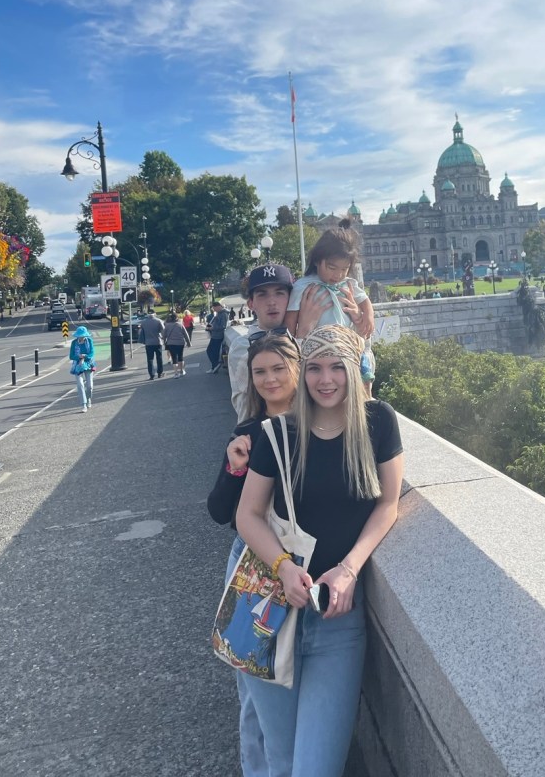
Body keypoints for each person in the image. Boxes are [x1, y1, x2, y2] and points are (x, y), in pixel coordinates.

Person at [237, 325, 403, 777]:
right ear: (302, 372)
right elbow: (247, 515)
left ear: (353, 369)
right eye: (314, 368)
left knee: (316, 768)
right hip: (270, 609)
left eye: (336, 367)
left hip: (335, 621)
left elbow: (388, 504)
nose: (325, 380)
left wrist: (349, 569)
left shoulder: (378, 421)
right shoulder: (279, 432)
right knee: (281, 760)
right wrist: (283, 567)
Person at [208, 333, 302, 777]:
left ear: (297, 369)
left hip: (302, 566)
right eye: (260, 371)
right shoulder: (247, 432)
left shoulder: (317, 425)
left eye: (278, 368)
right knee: (251, 681)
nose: (270, 379)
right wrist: (234, 468)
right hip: (250, 564)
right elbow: (218, 511)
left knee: (292, 678)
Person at [226, 264, 325, 421]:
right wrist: (303, 332)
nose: (272, 302)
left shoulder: (309, 334)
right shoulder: (243, 346)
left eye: (279, 293)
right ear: (251, 304)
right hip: (261, 432)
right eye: (262, 295)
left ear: (291, 299)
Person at [284, 219, 375, 381]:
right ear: (317, 261)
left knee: (358, 359)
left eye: (344, 269)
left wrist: (368, 317)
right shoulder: (303, 286)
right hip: (316, 346)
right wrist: (291, 345)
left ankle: (363, 368)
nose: (338, 275)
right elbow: (290, 321)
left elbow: (364, 300)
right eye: (332, 268)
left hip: (346, 343)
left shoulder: (348, 283)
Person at [69, 325, 95, 412]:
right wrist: (79, 357)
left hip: (88, 363)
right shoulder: (74, 343)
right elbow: (71, 356)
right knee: (80, 384)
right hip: (78, 364)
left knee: (89, 386)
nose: (81, 337)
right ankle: (83, 404)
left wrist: (84, 356)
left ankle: (89, 399)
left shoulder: (89, 341)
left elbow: (91, 353)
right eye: (79, 336)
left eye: (83, 336)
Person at [163, 311, 192, 377]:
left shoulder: (167, 326)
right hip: (180, 343)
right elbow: (186, 335)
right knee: (180, 357)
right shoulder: (180, 325)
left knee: (174, 358)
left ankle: (176, 373)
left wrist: (165, 342)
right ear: (177, 318)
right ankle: (182, 370)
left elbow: (164, 335)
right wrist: (188, 343)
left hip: (171, 343)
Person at [139, 310, 166, 380]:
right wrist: (164, 339)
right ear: (155, 314)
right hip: (157, 342)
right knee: (159, 358)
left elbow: (141, 332)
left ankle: (151, 374)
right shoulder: (158, 321)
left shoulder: (143, 322)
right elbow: (163, 331)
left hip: (148, 343)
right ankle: (160, 373)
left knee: (150, 359)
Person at [206, 301, 229, 374]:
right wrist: (210, 326)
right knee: (212, 351)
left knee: (211, 351)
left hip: (218, 336)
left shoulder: (223, 314)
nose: (214, 310)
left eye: (214, 308)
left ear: (218, 306)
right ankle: (214, 366)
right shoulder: (219, 313)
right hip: (215, 335)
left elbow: (223, 326)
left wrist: (212, 328)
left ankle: (215, 365)